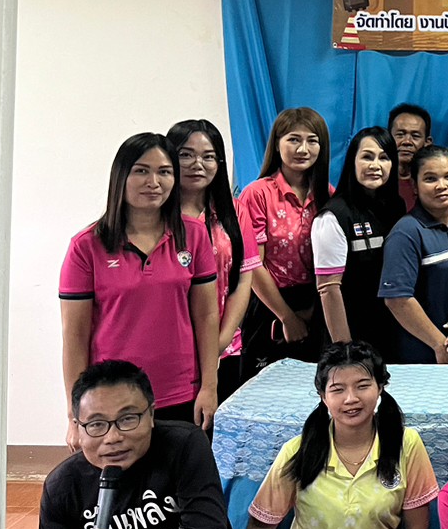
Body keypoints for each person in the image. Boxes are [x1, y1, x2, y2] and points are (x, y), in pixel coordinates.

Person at [24, 360, 244, 529]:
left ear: (151, 415)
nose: (113, 437)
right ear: (77, 427)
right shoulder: (64, 484)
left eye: (127, 419)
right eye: (96, 424)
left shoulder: (183, 445)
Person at [247, 342, 435, 529]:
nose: (351, 399)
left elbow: (416, 528)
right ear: (322, 396)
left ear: (380, 387)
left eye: (362, 386)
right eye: (337, 389)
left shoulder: (406, 444)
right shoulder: (297, 452)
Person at [60, 133, 219, 449]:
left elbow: (207, 316)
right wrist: (75, 414)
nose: (154, 182)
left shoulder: (195, 235)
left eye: (164, 172)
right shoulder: (86, 246)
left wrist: (210, 387)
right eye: (141, 171)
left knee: (181, 476)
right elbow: (74, 335)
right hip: (111, 398)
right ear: (121, 176)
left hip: (181, 392)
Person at [168, 119, 261, 399]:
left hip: (225, 347)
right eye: (186, 155)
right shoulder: (154, 215)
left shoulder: (234, 212)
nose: (198, 164)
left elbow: (243, 280)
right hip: (170, 350)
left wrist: (219, 343)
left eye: (208, 156)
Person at [240, 107, 333, 374]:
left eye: (312, 140)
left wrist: (314, 310)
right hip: (269, 304)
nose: (303, 149)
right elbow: (253, 265)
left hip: (317, 302)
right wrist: (287, 317)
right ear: (277, 144)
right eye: (294, 139)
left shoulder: (327, 194)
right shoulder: (257, 194)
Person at [379, 145, 448, 364]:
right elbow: (397, 300)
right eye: (430, 179)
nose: (441, 186)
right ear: (414, 186)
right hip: (422, 356)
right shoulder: (405, 232)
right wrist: (439, 344)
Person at [313, 127, 406, 357]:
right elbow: (329, 289)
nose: (375, 165)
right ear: (352, 162)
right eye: (367, 157)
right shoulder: (333, 216)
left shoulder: (396, 207)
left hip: (390, 332)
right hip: (350, 336)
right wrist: (346, 351)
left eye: (384, 158)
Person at [388, 103, 433, 212]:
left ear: (427, 142)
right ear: (388, 138)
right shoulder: (376, 181)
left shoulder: (433, 185)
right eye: (400, 134)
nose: (407, 142)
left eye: (415, 136)